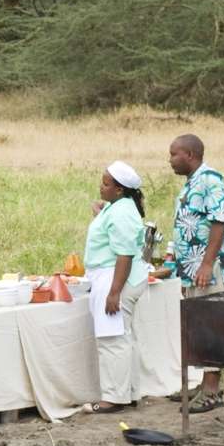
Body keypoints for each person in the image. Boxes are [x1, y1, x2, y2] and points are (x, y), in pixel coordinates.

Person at [167, 133, 224, 413]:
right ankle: (205, 383)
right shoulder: (192, 183)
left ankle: (212, 391)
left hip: (212, 268)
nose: (170, 160)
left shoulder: (211, 179)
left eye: (174, 154)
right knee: (200, 325)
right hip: (195, 268)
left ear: (191, 155)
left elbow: (219, 222)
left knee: (213, 324)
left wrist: (207, 263)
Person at [83, 161, 150, 414]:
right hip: (117, 277)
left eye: (106, 183)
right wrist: (102, 212)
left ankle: (112, 398)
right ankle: (128, 393)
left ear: (120, 189)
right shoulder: (120, 207)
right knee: (123, 339)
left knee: (112, 340)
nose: (101, 187)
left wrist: (114, 293)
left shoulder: (121, 212)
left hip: (116, 278)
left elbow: (124, 255)